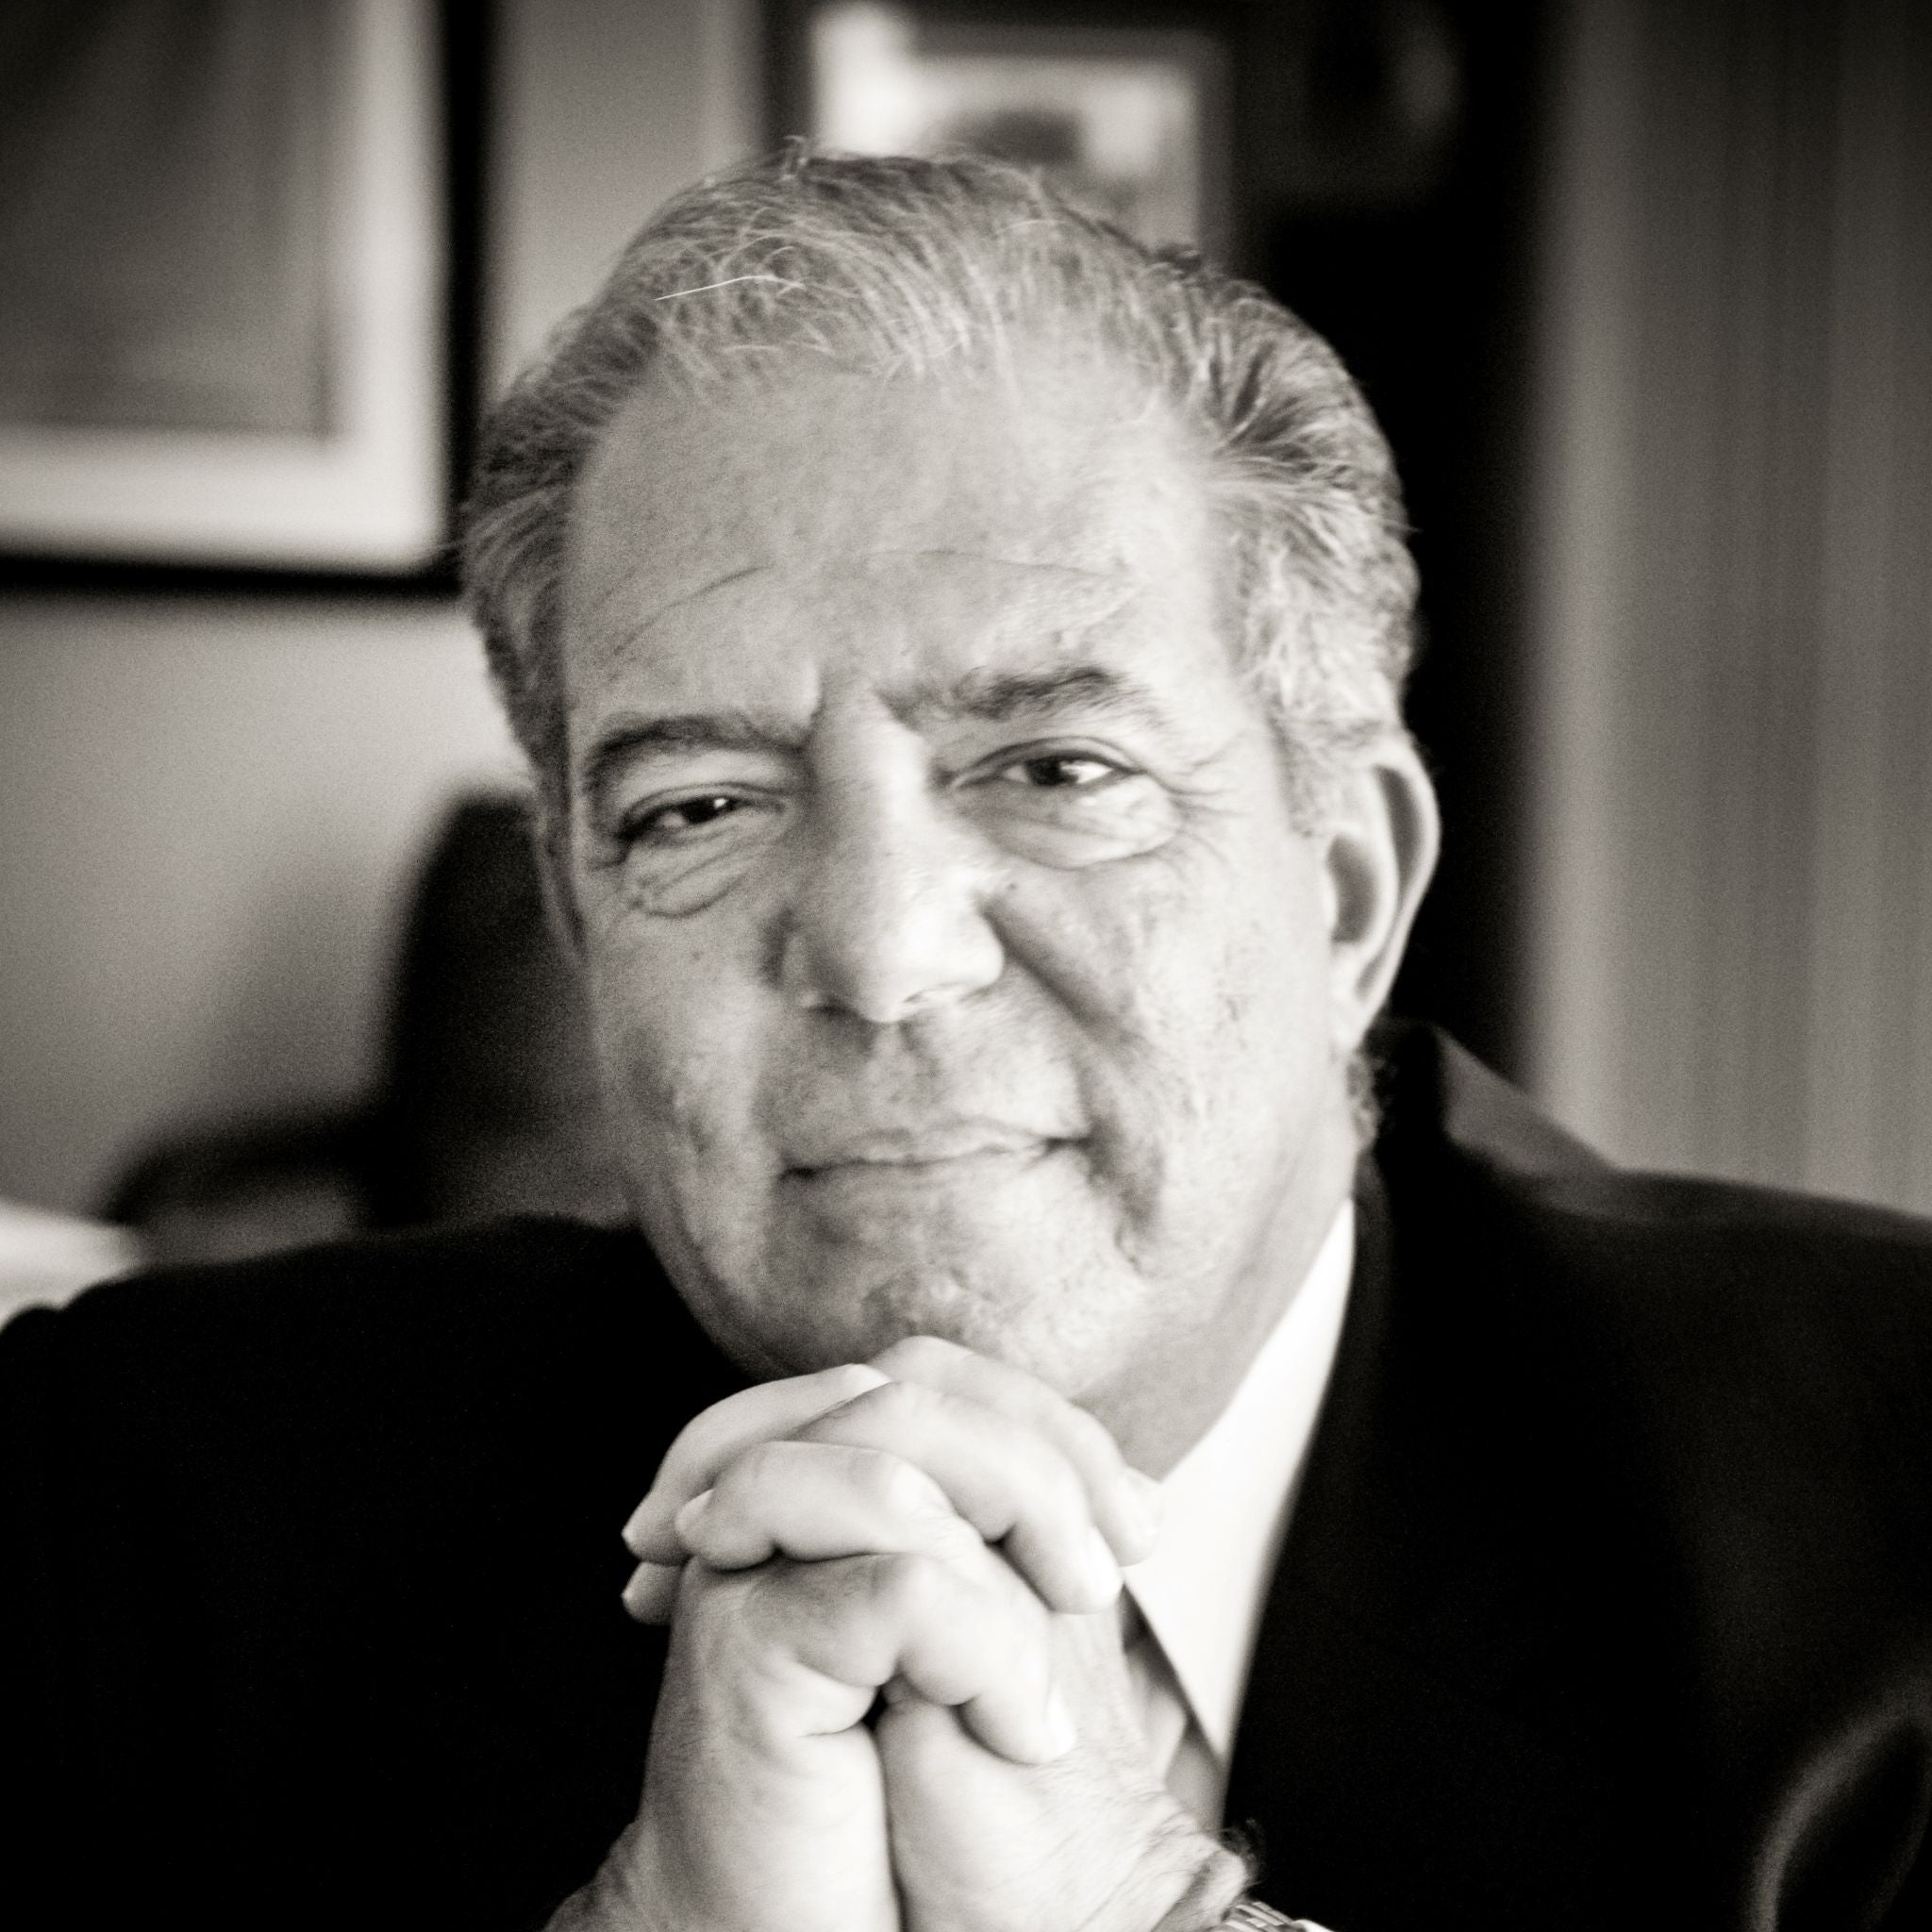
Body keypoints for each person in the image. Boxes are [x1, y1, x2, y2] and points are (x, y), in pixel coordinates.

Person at [4, 151, 1929, 1932]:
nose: (874, 950)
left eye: (1054, 765)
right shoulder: (143, 1501)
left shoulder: (1890, 1510)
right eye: (697, 804)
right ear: (583, 924)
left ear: (1344, 887)